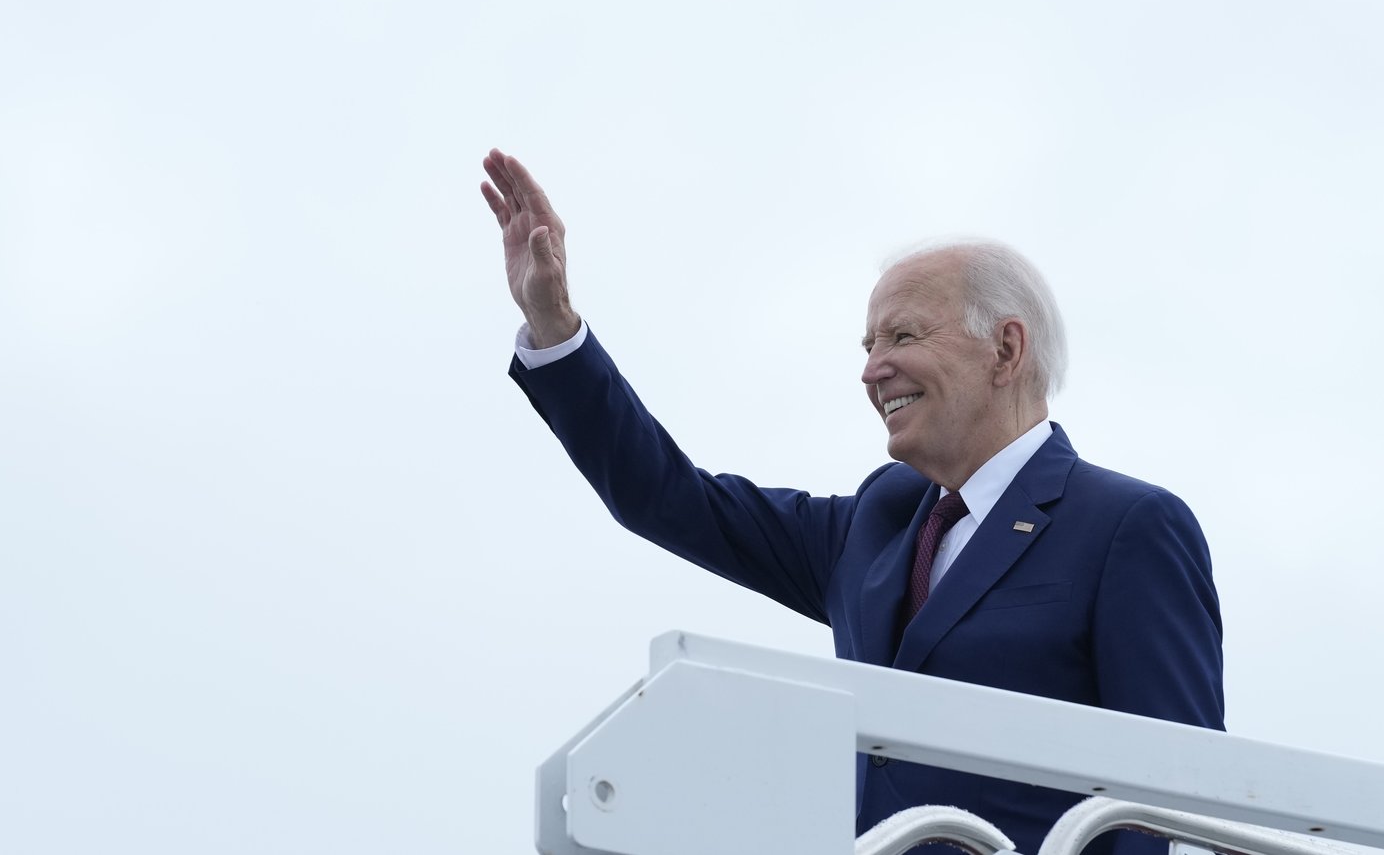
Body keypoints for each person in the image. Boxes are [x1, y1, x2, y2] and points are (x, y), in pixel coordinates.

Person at [481, 148, 1224, 855]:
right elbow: (668, 497)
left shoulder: (1127, 527)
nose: (873, 370)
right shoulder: (878, 522)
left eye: (902, 334)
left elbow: (1173, 805)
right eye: (866, 344)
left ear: (1006, 349)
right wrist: (555, 328)